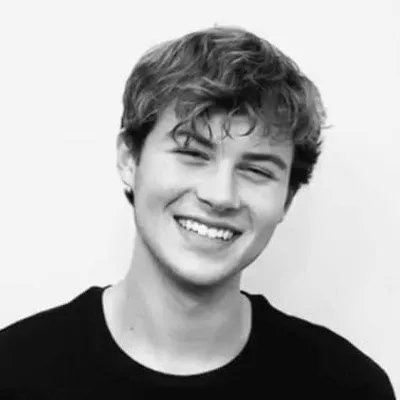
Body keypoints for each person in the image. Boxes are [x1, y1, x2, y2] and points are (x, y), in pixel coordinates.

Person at [0, 26, 396, 398]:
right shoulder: (14, 372)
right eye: (192, 154)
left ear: (287, 199)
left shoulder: (349, 387)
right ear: (129, 160)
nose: (220, 196)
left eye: (257, 170)